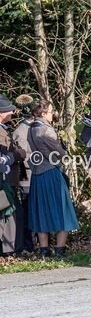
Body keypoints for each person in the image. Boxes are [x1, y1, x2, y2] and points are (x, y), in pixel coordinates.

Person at [25, 101, 78, 258]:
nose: (52, 113)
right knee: (63, 211)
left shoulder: (31, 129)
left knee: (42, 211)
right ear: (42, 114)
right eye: (50, 111)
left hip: (37, 174)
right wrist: (66, 155)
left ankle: (44, 250)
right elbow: (59, 152)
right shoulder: (45, 130)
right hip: (50, 172)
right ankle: (59, 250)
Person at [11, 95, 36, 255]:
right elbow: (26, 157)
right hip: (27, 177)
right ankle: (28, 244)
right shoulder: (21, 131)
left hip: (33, 175)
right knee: (27, 212)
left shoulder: (29, 129)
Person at [0, 95, 24, 257]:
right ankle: (9, 250)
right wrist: (15, 155)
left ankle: (12, 249)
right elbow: (10, 153)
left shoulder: (4, 128)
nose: (12, 113)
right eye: (9, 111)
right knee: (8, 215)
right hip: (4, 180)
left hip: (9, 178)